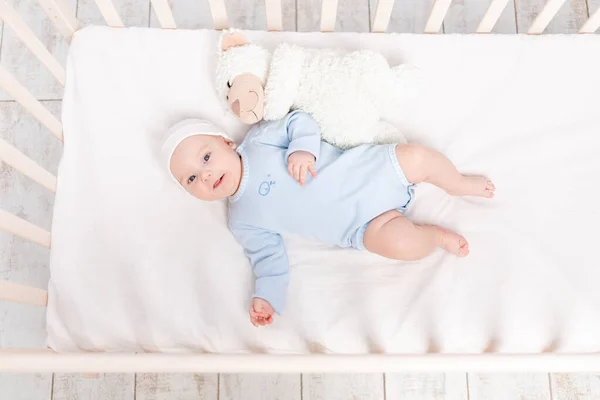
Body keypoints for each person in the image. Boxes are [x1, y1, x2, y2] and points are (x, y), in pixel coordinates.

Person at [162, 111, 495, 327]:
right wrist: (266, 295)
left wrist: (303, 149)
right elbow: (267, 256)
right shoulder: (242, 219)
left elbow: (299, 121)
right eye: (191, 179)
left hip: (368, 172)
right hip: (365, 227)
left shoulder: (259, 141)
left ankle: (457, 183)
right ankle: (435, 237)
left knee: (418, 157)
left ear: (226, 142)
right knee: (401, 245)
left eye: (206, 158)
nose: (204, 175)